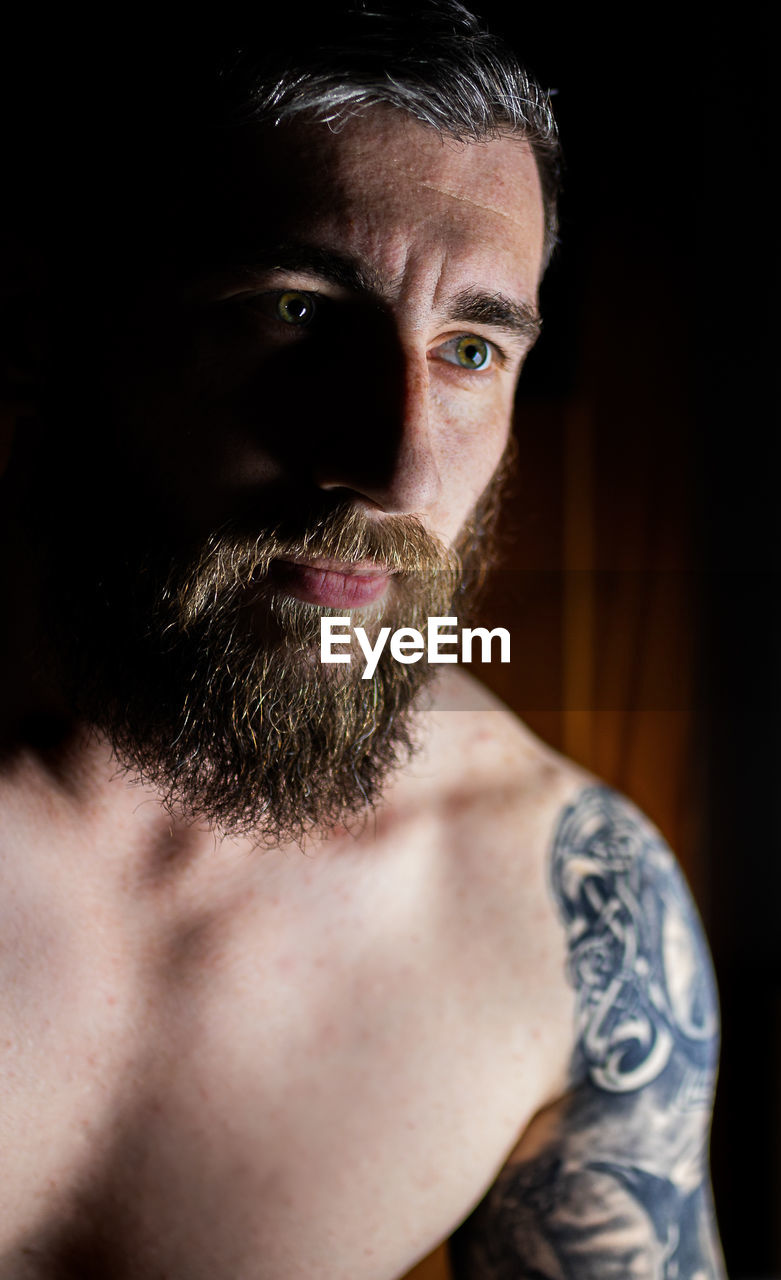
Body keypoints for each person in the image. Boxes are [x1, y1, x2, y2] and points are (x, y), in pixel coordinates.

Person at [0, 3, 725, 1275]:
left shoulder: (560, 917)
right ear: (50, 324)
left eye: (468, 348)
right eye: (294, 313)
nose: (394, 465)